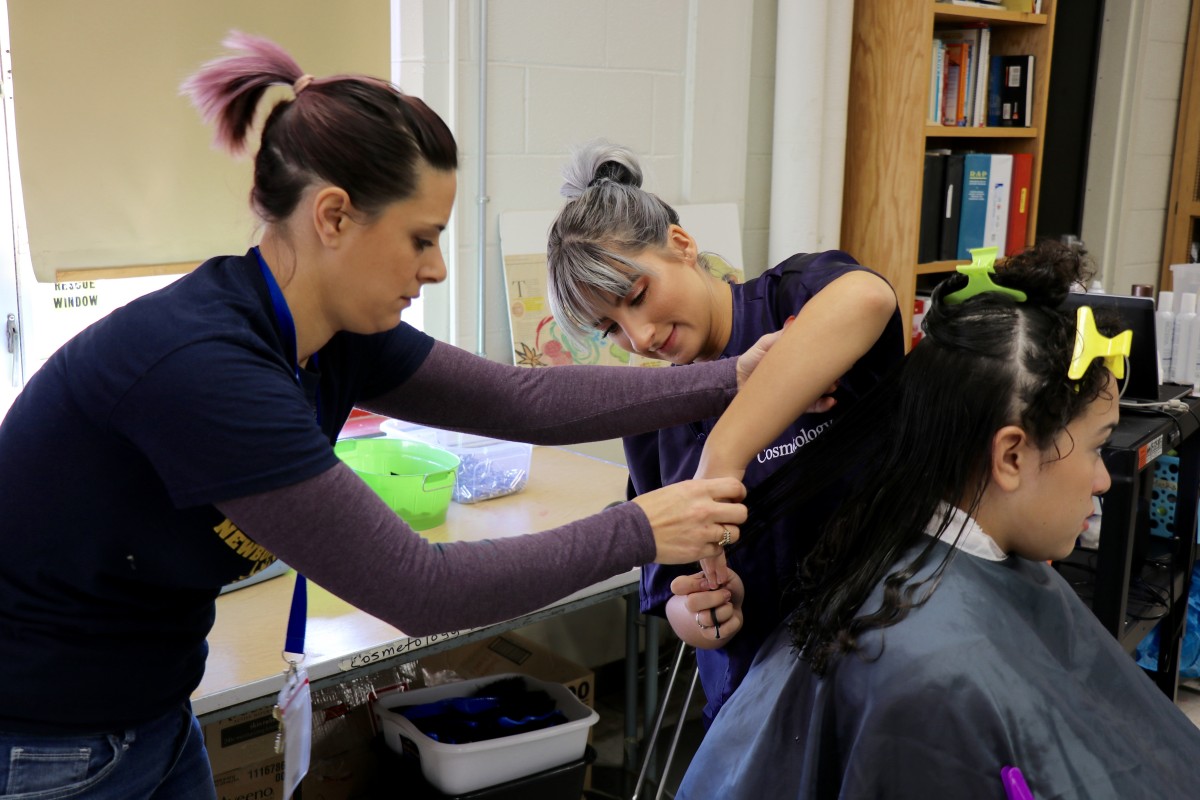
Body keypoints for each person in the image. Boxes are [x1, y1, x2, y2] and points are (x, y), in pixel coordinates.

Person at [0, 34, 774, 799]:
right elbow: (419, 589)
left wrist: (729, 378)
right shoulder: (205, 368)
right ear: (333, 217)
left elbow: (519, 398)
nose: (435, 267)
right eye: (421, 238)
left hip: (152, 711)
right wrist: (641, 528)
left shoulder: (332, 334)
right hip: (51, 742)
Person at [675, 240, 1200, 798]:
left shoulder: (917, 581)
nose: (1102, 482)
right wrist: (721, 459)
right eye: (1097, 449)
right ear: (1011, 456)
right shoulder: (928, 672)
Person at [544, 140, 905, 725]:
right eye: (609, 327)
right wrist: (705, 617)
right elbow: (669, 584)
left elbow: (868, 297)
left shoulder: (793, 302)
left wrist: (723, 454)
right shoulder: (652, 412)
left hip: (878, 660)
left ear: (682, 246)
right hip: (757, 695)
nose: (639, 337)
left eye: (637, 296)